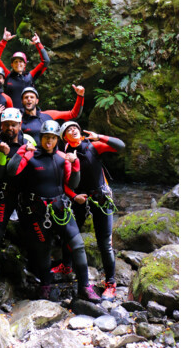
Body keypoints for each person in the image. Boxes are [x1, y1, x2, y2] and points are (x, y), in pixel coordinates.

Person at [6, 120, 102, 302]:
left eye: (52, 138)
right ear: (40, 138)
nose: (48, 141)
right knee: (43, 250)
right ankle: (45, 286)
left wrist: (76, 166)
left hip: (61, 210)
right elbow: (12, 171)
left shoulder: (62, 157)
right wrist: (21, 151)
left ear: (57, 139)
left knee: (78, 245)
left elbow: (72, 184)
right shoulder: (31, 156)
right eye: (45, 138)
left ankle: (84, 287)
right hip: (37, 212)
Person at [52, 122, 126, 301]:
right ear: (64, 138)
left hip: (100, 197)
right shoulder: (64, 156)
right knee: (70, 234)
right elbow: (65, 182)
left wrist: (100, 136)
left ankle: (110, 283)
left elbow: (121, 146)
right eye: (68, 130)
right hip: (79, 199)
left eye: (75, 127)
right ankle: (66, 265)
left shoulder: (93, 146)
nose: (73, 130)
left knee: (104, 243)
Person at [0, 107, 36, 283]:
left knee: (30, 230)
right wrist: (3, 156)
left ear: (20, 125)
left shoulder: (28, 140)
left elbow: (35, 166)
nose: (10, 128)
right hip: (5, 191)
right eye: (6, 125)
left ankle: (30, 266)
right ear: (1, 126)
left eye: (13, 125)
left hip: (26, 193)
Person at [0, 29, 50, 106]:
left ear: (25, 64)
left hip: (28, 113)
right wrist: (4, 41)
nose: (18, 64)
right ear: (12, 64)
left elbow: (45, 61)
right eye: (15, 61)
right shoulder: (7, 75)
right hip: (10, 114)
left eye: (21, 61)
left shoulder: (30, 76)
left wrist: (38, 44)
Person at [18, 85, 85, 143]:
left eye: (32, 97)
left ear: (37, 101)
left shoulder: (48, 115)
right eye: (26, 97)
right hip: (29, 156)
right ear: (22, 101)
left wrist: (80, 95)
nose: (29, 99)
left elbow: (73, 114)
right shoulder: (18, 119)